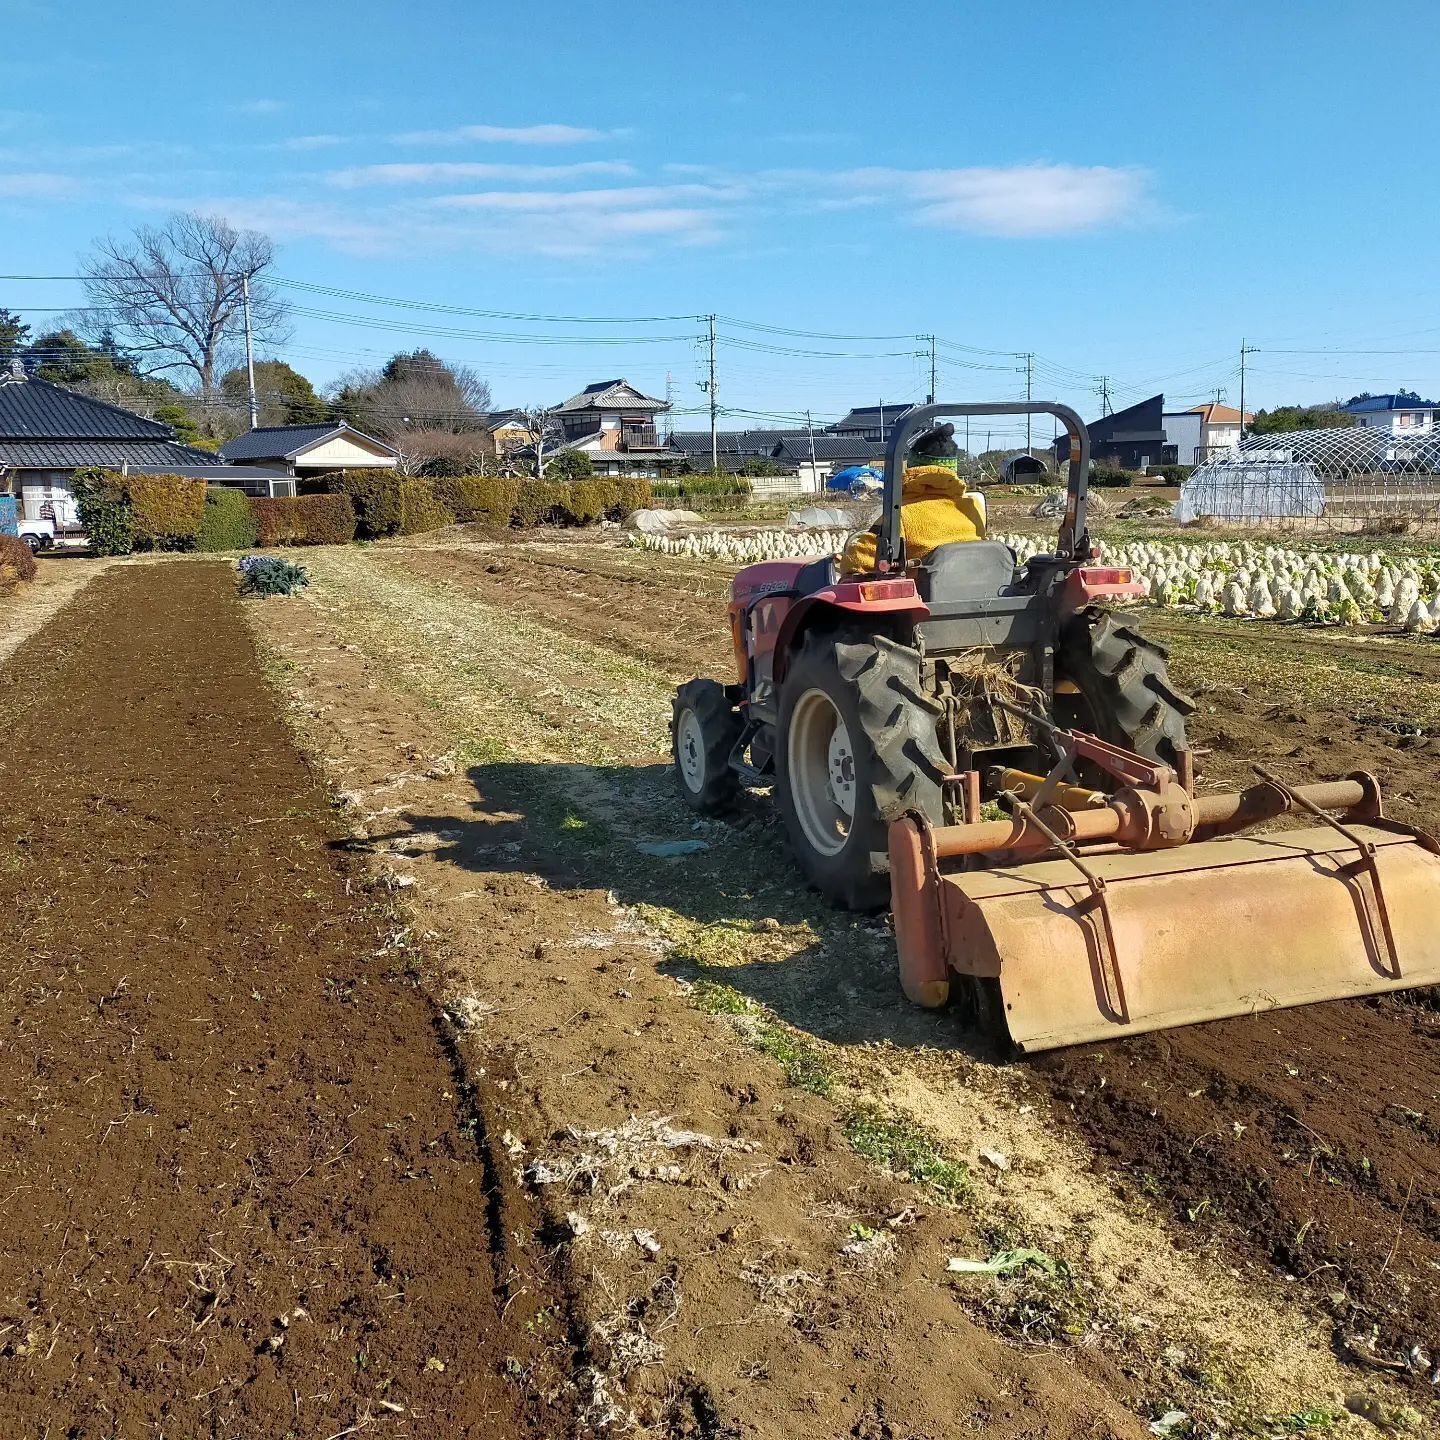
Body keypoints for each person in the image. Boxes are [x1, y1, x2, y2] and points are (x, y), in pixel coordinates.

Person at [839, 422, 987, 575]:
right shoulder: (974, 509)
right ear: (953, 471)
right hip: (976, 590)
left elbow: (858, 563)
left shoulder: (901, 516)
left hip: (923, 597)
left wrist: (846, 557)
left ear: (912, 468)